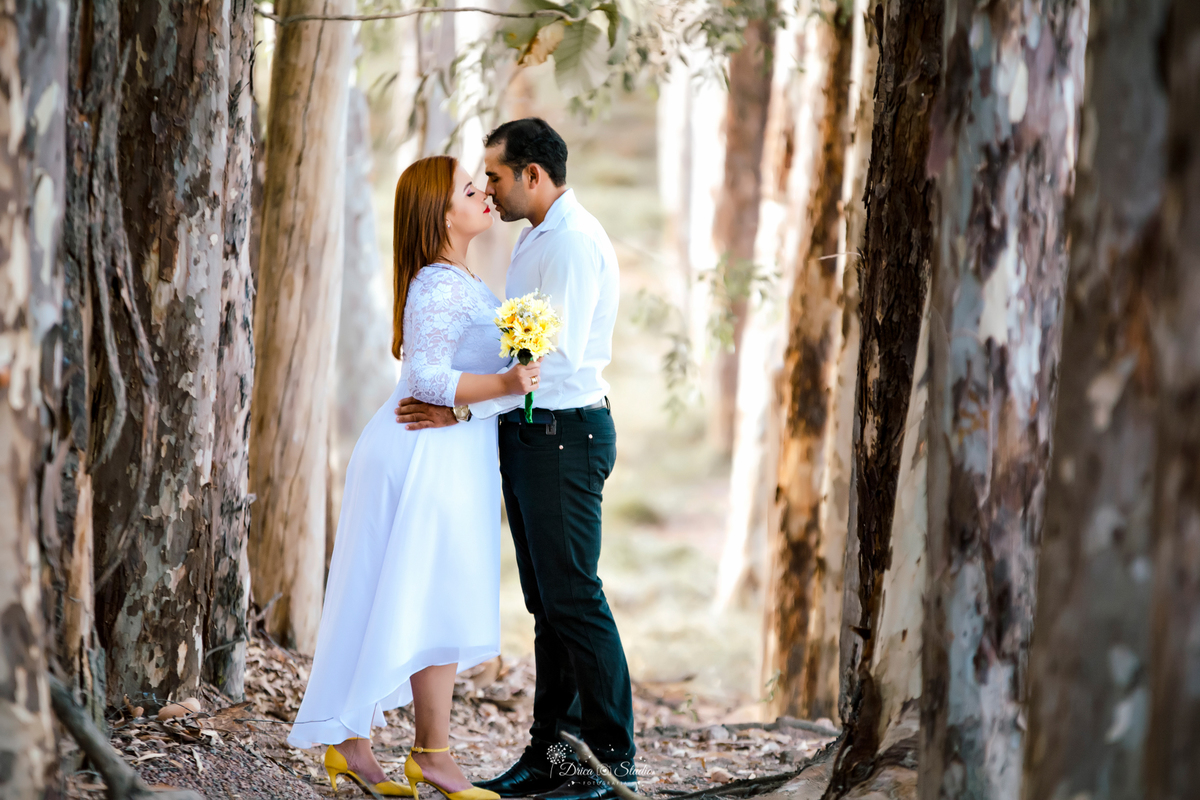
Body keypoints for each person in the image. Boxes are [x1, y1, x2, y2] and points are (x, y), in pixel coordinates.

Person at [395, 118, 638, 800]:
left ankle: (613, 759)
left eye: (496, 177)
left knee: (574, 598)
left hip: (564, 432)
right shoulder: (538, 236)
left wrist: (465, 406)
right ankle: (552, 756)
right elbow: (517, 354)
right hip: (537, 435)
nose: (489, 191)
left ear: (533, 175)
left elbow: (545, 365)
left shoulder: (567, 245)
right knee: (548, 605)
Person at [287, 155, 541, 800]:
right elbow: (423, 377)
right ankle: (392, 748)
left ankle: (403, 750)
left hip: (450, 451)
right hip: (420, 454)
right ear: (440, 213)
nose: (484, 190)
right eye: (468, 187)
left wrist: (492, 391)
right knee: (410, 593)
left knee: (433, 596)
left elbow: (457, 386)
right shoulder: (438, 283)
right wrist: (507, 382)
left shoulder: (463, 280)